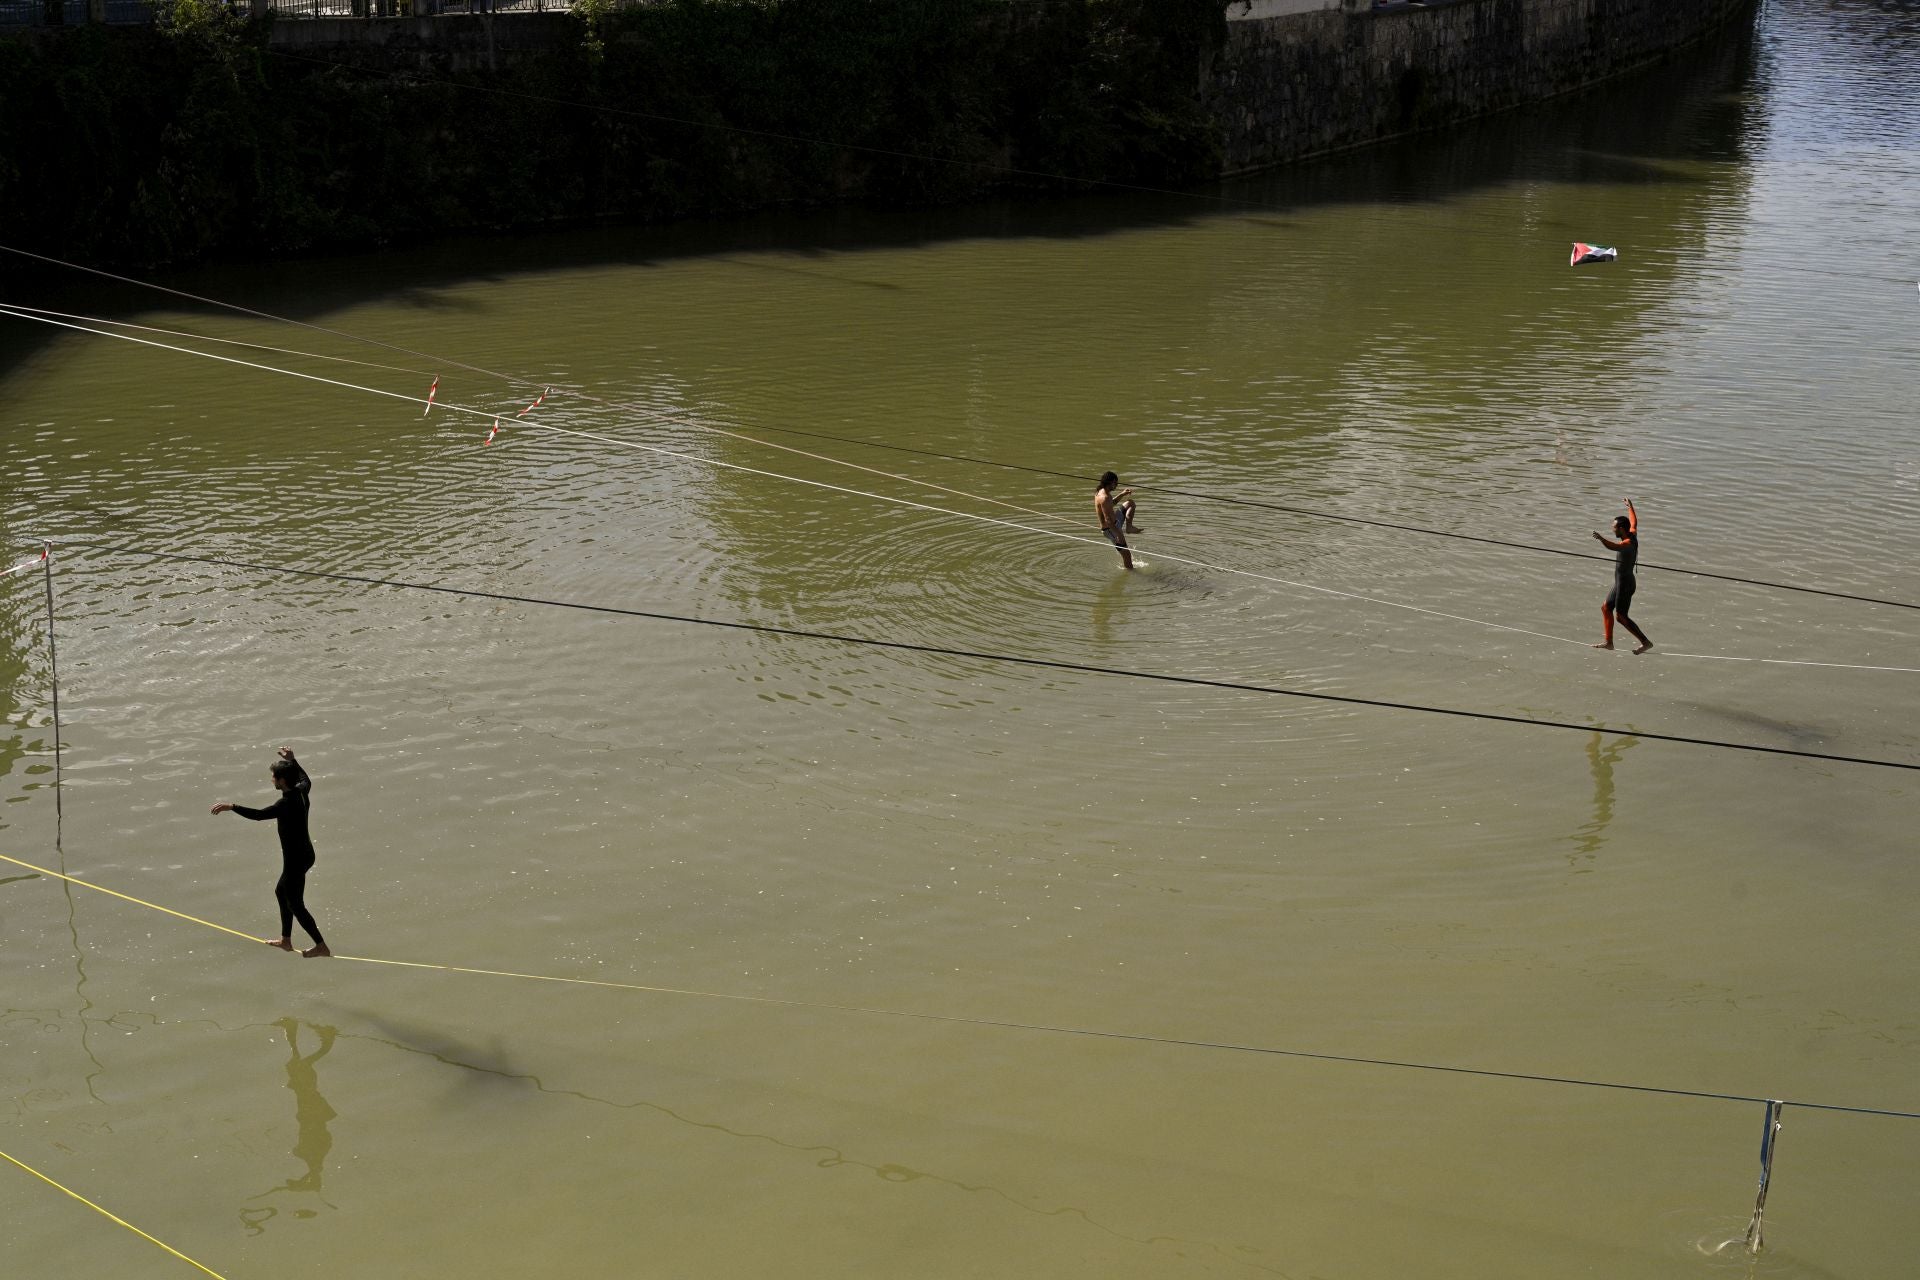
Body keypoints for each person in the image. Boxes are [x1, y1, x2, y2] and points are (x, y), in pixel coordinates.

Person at [212, 746, 331, 957]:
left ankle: (320, 945)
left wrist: (233, 806)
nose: (271, 780)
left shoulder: (285, 803)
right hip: (303, 855)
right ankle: (286, 940)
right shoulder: (302, 791)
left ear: (282, 781)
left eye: (273, 777)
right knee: (281, 892)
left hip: (296, 859)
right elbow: (306, 779)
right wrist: (293, 760)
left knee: (295, 904)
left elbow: (259, 815)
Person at [1592, 498, 1652, 653]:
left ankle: (1645, 642)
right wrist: (1630, 507)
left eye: (1614, 528)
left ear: (1622, 529)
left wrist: (1601, 539)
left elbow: (1613, 546)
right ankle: (1609, 642)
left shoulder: (1627, 544)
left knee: (1620, 616)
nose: (1613, 530)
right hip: (1620, 583)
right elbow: (1633, 522)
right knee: (1606, 608)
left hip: (1626, 584)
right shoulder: (1632, 533)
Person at [1094, 471, 1143, 570]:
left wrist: (1122, 494)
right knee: (1127, 556)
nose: (1116, 485)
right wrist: (1118, 535)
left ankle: (1129, 527)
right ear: (1110, 482)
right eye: (1115, 483)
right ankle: (1130, 574)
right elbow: (1108, 520)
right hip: (1111, 529)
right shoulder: (1104, 497)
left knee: (1130, 503)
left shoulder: (1103, 492)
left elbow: (1111, 504)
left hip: (1116, 521)